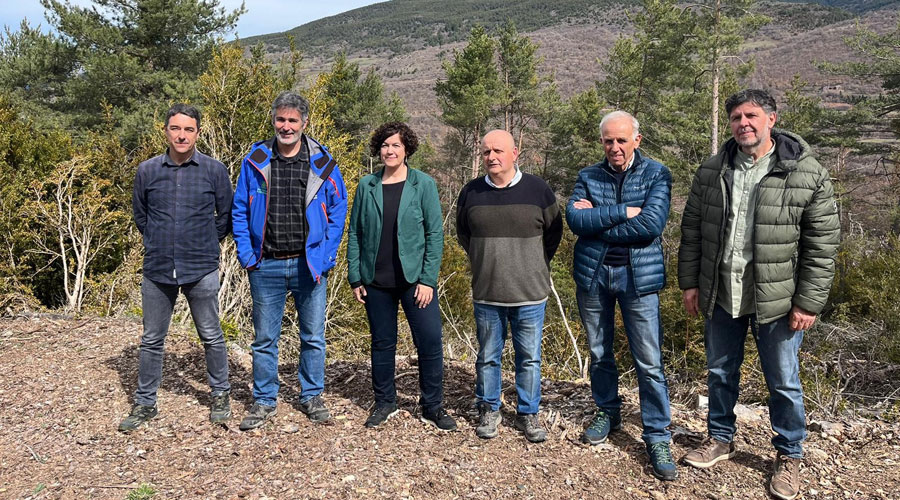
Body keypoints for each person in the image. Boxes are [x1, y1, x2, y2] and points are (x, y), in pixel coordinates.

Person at [678, 89, 840, 500]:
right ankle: (719, 437)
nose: (743, 123)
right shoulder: (713, 169)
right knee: (719, 371)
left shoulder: (805, 172)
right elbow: (692, 230)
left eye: (751, 115)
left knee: (783, 381)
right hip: (721, 290)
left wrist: (808, 301)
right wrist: (690, 282)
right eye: (735, 117)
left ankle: (789, 454)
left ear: (771, 118)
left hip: (778, 298)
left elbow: (822, 244)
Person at [566, 111, 677, 480]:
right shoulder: (588, 176)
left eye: (621, 140)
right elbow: (575, 222)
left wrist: (598, 221)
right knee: (599, 353)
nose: (614, 147)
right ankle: (608, 411)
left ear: (636, 140)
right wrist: (622, 212)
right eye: (608, 141)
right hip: (594, 276)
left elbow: (651, 224)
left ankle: (657, 434)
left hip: (637, 279)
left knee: (648, 361)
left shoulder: (656, 174)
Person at [232, 91, 347, 430]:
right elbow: (240, 208)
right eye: (281, 119)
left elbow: (338, 211)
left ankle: (311, 395)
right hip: (264, 263)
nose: (286, 126)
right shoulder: (256, 159)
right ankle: (265, 400)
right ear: (273, 120)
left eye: (292, 120)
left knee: (313, 336)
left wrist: (325, 257)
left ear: (304, 123)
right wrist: (246, 253)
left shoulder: (323, 163)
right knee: (264, 339)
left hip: (308, 265)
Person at [120, 103, 233, 432]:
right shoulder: (148, 171)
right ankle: (145, 403)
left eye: (188, 129)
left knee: (211, 336)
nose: (181, 135)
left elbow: (224, 216)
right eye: (175, 128)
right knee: (152, 339)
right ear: (166, 130)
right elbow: (141, 216)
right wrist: (158, 240)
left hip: (201, 268)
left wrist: (204, 243)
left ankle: (220, 395)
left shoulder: (213, 170)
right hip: (157, 269)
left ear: (198, 132)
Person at [346, 122, 456, 431]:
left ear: (407, 148)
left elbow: (435, 235)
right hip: (375, 280)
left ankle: (432, 406)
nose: (389, 150)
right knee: (382, 343)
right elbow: (355, 232)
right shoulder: (367, 185)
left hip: (414, 281)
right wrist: (356, 276)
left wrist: (428, 280)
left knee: (430, 341)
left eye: (395, 145)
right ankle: (385, 403)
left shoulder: (424, 185)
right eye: (384, 145)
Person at [456, 129, 563, 443]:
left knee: (529, 357)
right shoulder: (471, 192)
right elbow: (464, 235)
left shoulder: (538, 190)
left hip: (529, 293)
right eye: (487, 151)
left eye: (499, 151)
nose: (492, 157)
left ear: (515, 153)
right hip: (488, 291)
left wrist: (530, 263)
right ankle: (490, 408)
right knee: (489, 355)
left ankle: (528, 413)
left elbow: (553, 234)